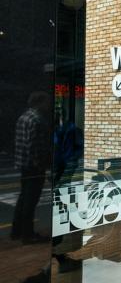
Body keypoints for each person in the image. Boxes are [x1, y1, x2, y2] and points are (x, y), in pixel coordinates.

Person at [11, 91, 51, 243]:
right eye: (46, 102)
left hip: (23, 164)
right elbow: (34, 145)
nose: (48, 105)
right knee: (31, 201)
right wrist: (41, 165)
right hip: (34, 166)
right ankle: (28, 235)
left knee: (23, 198)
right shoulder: (37, 120)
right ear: (39, 102)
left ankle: (16, 232)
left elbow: (21, 142)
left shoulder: (23, 117)